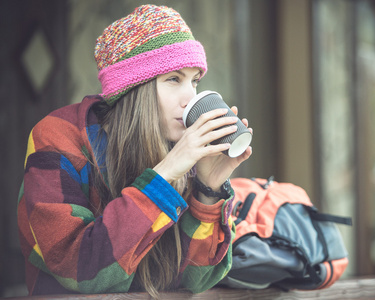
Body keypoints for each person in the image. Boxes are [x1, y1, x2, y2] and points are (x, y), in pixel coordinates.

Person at [17, 4, 252, 297]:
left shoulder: (178, 145)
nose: (190, 98)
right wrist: (163, 177)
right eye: (173, 79)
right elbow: (79, 269)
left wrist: (208, 189)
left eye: (195, 81)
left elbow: (196, 279)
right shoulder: (56, 137)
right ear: (134, 89)